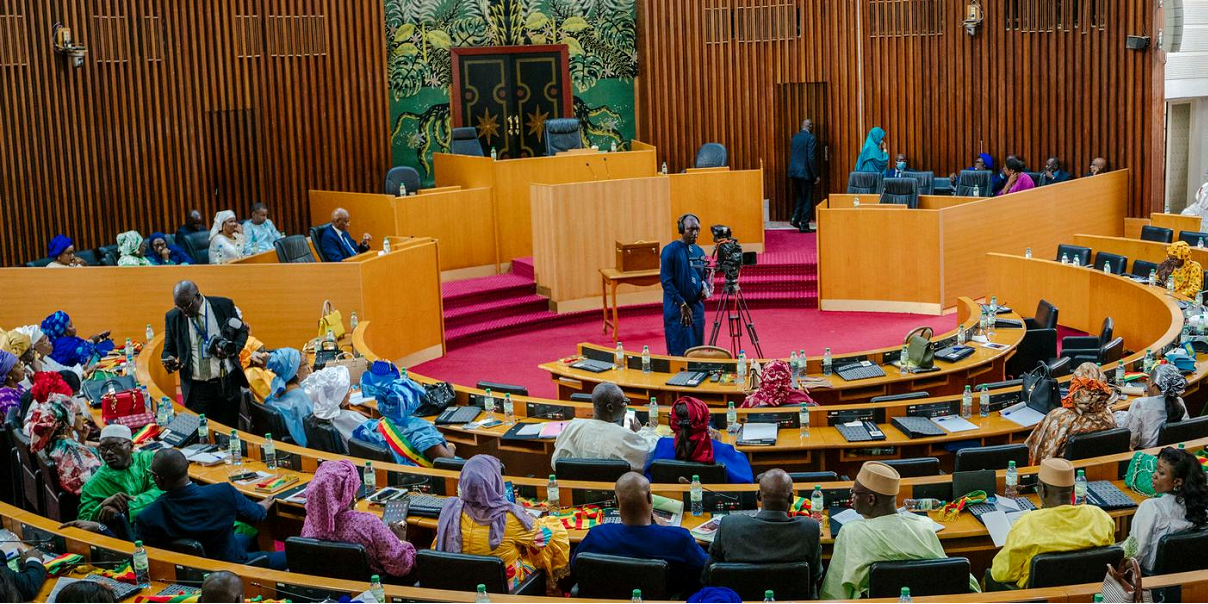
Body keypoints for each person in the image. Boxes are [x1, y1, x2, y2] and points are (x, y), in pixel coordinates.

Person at [65, 449, 288, 569]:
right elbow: (257, 515)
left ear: (159, 481)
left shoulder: (148, 516)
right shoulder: (223, 492)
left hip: (190, 573)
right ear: (187, 468)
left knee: (241, 536)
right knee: (288, 555)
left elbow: (139, 554)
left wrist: (100, 527)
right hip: (233, 565)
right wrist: (266, 502)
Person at [820, 462, 977, 599]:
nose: (852, 497)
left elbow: (835, 592)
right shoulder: (923, 525)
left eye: (854, 492)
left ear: (870, 499)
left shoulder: (851, 531)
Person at [433, 455, 570, 595]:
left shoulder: (450, 510)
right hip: (504, 590)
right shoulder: (507, 517)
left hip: (460, 586)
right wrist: (524, 515)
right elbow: (544, 537)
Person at [573, 472, 708, 595]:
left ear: (616, 501)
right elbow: (707, 569)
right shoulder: (679, 539)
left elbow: (575, 567)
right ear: (650, 498)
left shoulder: (596, 536)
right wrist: (666, 529)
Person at [989, 458, 1115, 588]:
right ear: (1073, 489)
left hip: (1037, 598)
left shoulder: (1028, 524)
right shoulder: (1099, 517)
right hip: (1090, 593)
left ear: (1042, 489)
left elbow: (1001, 574)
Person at [706, 469, 822, 597]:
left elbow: (709, 575)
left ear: (758, 496)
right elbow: (815, 575)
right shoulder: (809, 528)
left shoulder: (729, 526)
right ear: (791, 498)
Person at [301, 459, 416, 578]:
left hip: (324, 589)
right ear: (351, 493)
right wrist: (399, 540)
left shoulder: (310, 521)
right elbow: (401, 567)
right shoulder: (369, 523)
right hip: (370, 592)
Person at [162, 280, 249, 427]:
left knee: (229, 433)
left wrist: (232, 350)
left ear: (197, 296)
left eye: (187, 306)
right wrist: (168, 358)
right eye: (179, 306)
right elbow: (168, 349)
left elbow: (242, 331)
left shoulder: (223, 305)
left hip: (226, 384)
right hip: (197, 389)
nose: (184, 311)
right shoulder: (173, 317)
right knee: (201, 436)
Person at [1121, 447, 1208, 573]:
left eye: (1161, 473)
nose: (1154, 475)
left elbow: (1134, 556)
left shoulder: (1151, 508)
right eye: (1156, 470)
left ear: (1177, 481)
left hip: (1149, 581)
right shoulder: (1201, 508)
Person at [351, 361, 456, 465]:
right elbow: (446, 461)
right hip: (421, 476)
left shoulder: (371, 426)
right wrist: (451, 446)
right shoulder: (421, 430)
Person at [1025, 362, 1118, 463]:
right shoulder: (1108, 415)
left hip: (1062, 474)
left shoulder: (1060, 417)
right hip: (1099, 470)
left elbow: (1038, 454)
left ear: (1075, 386)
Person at [646, 396, 753, 484]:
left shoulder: (662, 445)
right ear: (705, 422)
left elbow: (651, 478)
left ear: (673, 423)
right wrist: (719, 445)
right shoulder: (724, 450)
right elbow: (747, 485)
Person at [553, 382, 658, 471]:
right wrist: (642, 431)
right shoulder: (623, 435)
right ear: (610, 407)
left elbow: (556, 463)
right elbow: (647, 453)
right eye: (623, 403)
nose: (625, 407)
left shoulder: (573, 427)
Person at [78, 424, 164, 522]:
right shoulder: (93, 485)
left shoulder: (147, 459)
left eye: (114, 446)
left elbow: (165, 489)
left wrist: (126, 506)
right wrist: (102, 507)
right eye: (103, 448)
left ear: (131, 446)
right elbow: (83, 521)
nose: (108, 453)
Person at [24, 392, 101, 495]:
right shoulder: (73, 450)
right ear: (67, 421)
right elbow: (96, 485)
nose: (82, 418)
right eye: (78, 414)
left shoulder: (52, 443)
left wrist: (81, 439)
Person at [661, 214, 709, 356]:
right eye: (690, 229)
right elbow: (666, 282)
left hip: (697, 309)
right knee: (680, 353)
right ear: (682, 229)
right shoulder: (670, 250)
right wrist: (682, 304)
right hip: (678, 310)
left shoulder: (699, 251)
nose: (695, 233)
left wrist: (705, 288)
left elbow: (703, 277)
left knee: (697, 352)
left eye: (697, 229)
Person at [1115, 364, 1189, 449]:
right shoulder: (1179, 401)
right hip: (1172, 452)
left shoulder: (1140, 403)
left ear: (1152, 383)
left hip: (1147, 454)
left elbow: (1130, 441)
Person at [303, 365, 369, 445]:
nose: (350, 392)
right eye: (348, 389)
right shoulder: (353, 418)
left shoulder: (314, 417)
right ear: (341, 396)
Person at [263, 347, 313, 446]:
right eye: (305, 364)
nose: (308, 368)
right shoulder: (299, 397)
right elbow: (314, 431)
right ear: (295, 371)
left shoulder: (275, 389)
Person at [41, 310, 114, 368]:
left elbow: (83, 345)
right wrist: (93, 340)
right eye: (70, 326)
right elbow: (86, 356)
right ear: (63, 333)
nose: (74, 327)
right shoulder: (64, 345)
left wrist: (100, 337)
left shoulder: (61, 342)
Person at [788, 119, 821, 232]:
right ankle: (804, 225)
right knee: (807, 198)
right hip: (805, 173)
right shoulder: (811, 138)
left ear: (802, 126)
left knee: (800, 196)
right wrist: (815, 175)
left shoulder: (795, 137)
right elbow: (811, 158)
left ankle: (795, 218)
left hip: (794, 172)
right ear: (810, 126)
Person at [741, 360, 815, 408]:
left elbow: (738, 417)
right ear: (788, 378)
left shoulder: (752, 400)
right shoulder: (801, 396)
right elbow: (818, 412)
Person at [0, 350, 27, 417]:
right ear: (8, 374)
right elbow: (18, 420)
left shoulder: (19, 387)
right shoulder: (4, 395)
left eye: (21, 364)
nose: (23, 368)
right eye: (18, 366)